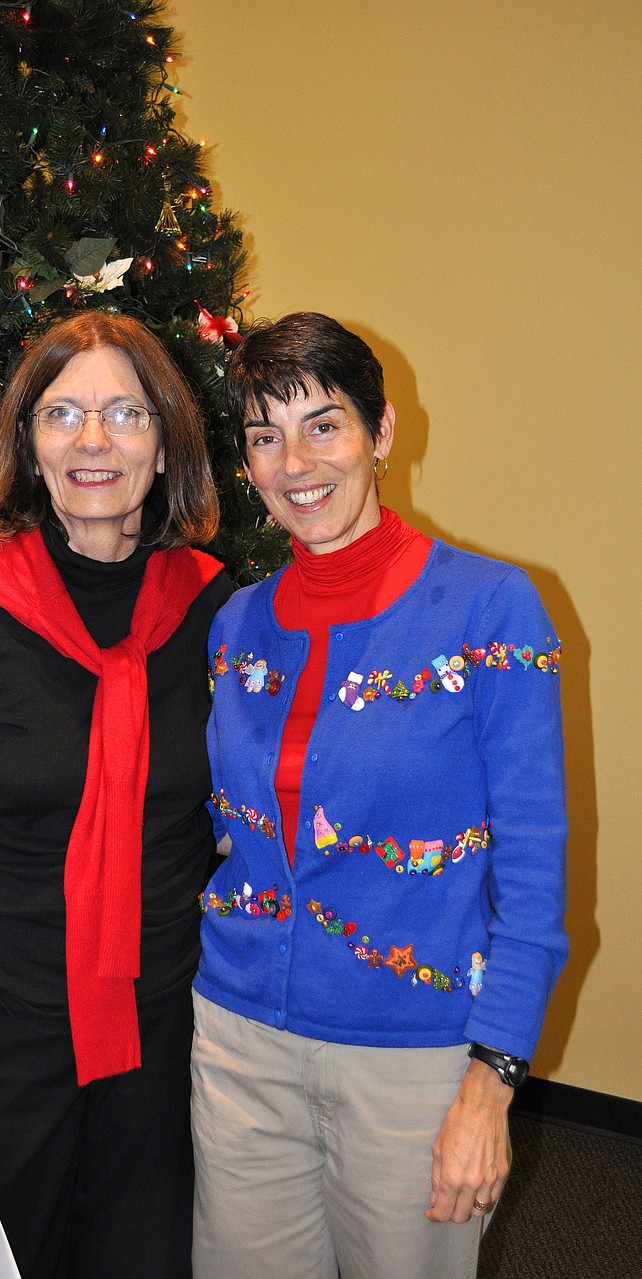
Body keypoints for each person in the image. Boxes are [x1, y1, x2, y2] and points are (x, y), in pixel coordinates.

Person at [191, 312, 567, 1279]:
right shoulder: (235, 627)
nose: (294, 462)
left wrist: (492, 1082)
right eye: (265, 437)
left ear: (382, 433)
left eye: (324, 425)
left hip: (415, 1059)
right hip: (239, 1046)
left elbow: (533, 871)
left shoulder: (490, 608)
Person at [0, 311, 232, 1279]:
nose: (92, 440)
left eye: (125, 412)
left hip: (164, 1023)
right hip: (5, 1031)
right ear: (28, 447)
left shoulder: (211, 605)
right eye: (62, 413)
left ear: (165, 445)